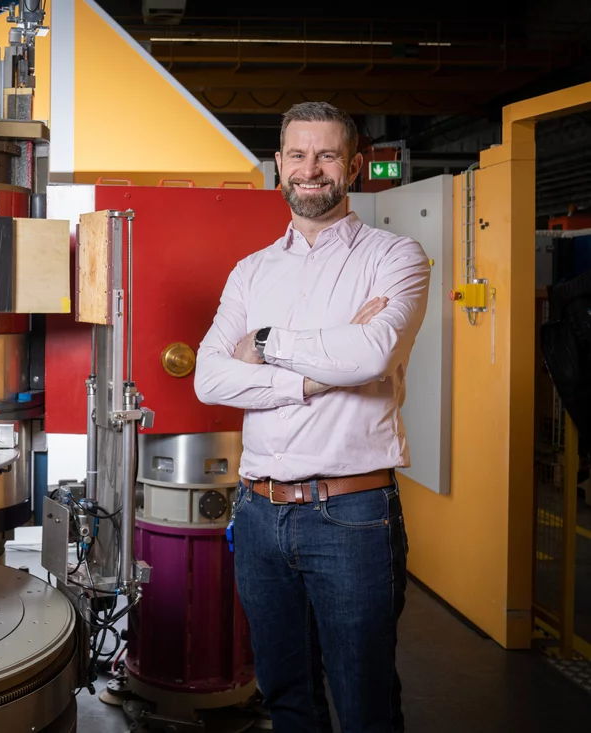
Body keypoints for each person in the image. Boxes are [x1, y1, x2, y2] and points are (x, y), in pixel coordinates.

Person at [193, 101, 431, 733]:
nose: (311, 170)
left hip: (351, 515)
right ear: (279, 164)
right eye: (297, 155)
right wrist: (319, 373)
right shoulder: (251, 271)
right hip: (260, 512)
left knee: (364, 702)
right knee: (286, 696)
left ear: (353, 166)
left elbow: (375, 351)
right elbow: (211, 375)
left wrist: (266, 346)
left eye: (326, 155)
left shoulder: (395, 257)